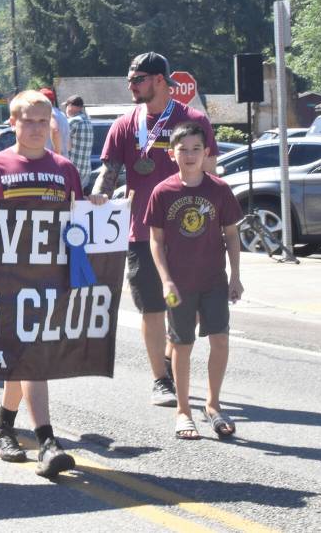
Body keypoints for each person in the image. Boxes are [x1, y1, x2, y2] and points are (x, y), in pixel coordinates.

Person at [0, 89, 107, 477]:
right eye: (27, 120)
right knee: (32, 356)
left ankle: (2, 428)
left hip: (50, 279)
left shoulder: (64, 169)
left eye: (43, 121)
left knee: (25, 357)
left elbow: (77, 224)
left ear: (52, 125)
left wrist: (97, 207)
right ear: (13, 123)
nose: (35, 128)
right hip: (8, 280)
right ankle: (47, 440)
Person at [94, 52, 218, 407]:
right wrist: (99, 196)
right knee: (151, 308)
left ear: (160, 81)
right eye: (129, 80)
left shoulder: (193, 120)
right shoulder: (125, 124)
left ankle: (167, 355)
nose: (130, 85)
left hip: (191, 231)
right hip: (142, 232)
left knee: (189, 308)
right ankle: (161, 379)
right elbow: (110, 170)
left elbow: (210, 170)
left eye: (137, 80)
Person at [146, 122, 243, 439]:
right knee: (183, 346)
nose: (189, 155)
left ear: (206, 152)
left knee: (221, 340)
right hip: (179, 285)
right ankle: (183, 411)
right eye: (183, 149)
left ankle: (213, 405)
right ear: (172, 154)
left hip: (214, 281)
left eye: (196, 149)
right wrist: (166, 281)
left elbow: (231, 235)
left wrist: (236, 277)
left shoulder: (219, 190)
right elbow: (156, 241)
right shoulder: (163, 192)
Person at [63, 95, 93, 183]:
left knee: (68, 196)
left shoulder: (73, 121)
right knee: (79, 196)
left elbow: (59, 141)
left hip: (72, 169)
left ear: (70, 106)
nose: (65, 109)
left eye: (66, 106)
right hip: (85, 170)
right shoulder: (88, 121)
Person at [40, 88, 70, 156]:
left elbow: (55, 130)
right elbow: (69, 144)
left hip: (52, 160)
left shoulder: (48, 113)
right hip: (64, 159)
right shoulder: (62, 115)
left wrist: (57, 154)